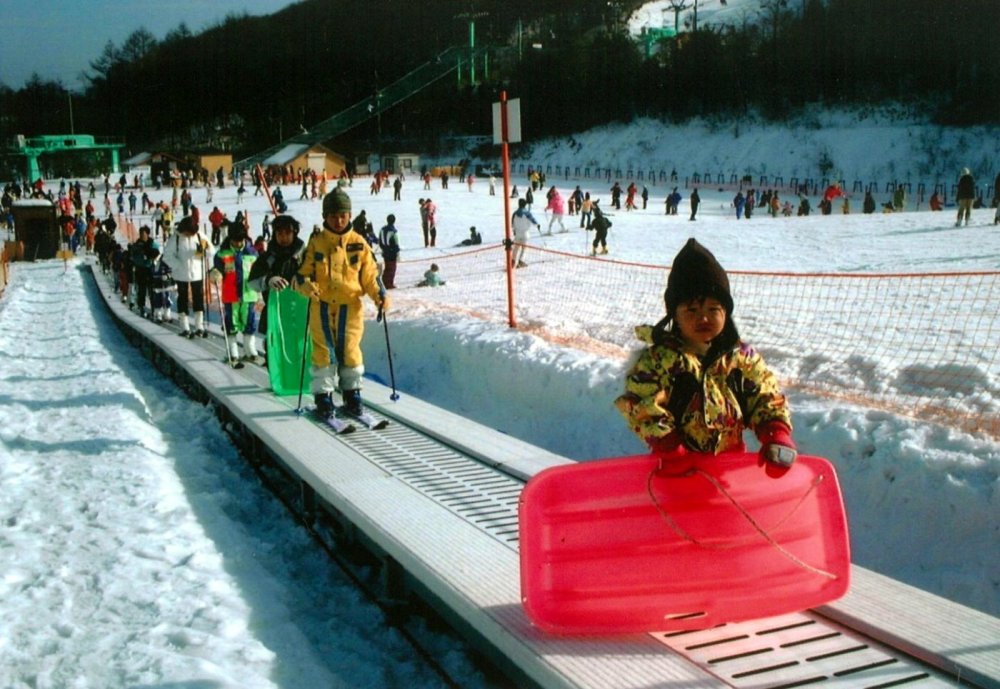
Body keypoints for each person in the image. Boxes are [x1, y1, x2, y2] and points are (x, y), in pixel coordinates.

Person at [614, 238, 796, 467]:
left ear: (726, 313)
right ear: (675, 316)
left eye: (713, 309)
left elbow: (764, 395)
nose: (704, 318)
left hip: (729, 466)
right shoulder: (659, 361)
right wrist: (670, 447)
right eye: (692, 310)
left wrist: (775, 433)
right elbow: (641, 405)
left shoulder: (742, 359)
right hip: (676, 466)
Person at [294, 187, 389, 420]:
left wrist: (380, 296)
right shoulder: (316, 243)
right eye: (333, 215)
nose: (338, 220)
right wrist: (305, 285)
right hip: (322, 306)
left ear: (349, 215)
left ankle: (352, 393)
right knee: (323, 351)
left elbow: (370, 277)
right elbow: (301, 275)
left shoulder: (359, 243)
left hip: (350, 307)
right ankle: (324, 397)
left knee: (350, 350)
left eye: (343, 215)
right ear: (325, 216)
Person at [247, 214, 306, 361]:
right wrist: (267, 280)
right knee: (275, 355)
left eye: (287, 233)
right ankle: (276, 383)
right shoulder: (268, 257)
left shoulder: (304, 256)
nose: (283, 237)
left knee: (299, 353)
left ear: (295, 233)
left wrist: (303, 279)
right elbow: (252, 281)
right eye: (279, 234)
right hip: (275, 314)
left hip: (300, 313)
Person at [210, 221, 260, 362]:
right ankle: (233, 351)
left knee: (249, 321)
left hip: (248, 293)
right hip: (231, 294)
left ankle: (250, 349)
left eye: (240, 240)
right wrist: (215, 274)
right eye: (235, 241)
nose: (238, 244)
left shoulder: (252, 252)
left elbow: (258, 270)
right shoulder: (222, 254)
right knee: (231, 322)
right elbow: (217, 269)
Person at [168, 215, 212, 338]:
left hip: (197, 273)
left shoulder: (199, 236)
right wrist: (177, 265)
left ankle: (199, 325)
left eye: (191, 233)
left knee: (198, 299)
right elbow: (167, 256)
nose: (189, 235)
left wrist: (204, 250)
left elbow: (211, 251)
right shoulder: (175, 238)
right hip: (181, 274)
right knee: (183, 299)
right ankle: (185, 326)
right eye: (188, 233)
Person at [511, 198, 540, 269]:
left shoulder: (515, 213)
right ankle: (521, 261)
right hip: (525, 233)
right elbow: (533, 220)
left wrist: (514, 230)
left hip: (517, 233)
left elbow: (512, 223)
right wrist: (537, 225)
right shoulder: (527, 213)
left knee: (516, 248)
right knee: (524, 248)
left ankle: (513, 261)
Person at [378, 214, 400, 289]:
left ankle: (384, 282)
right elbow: (396, 243)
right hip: (392, 253)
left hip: (385, 251)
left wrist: (384, 249)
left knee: (387, 267)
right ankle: (389, 284)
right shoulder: (393, 231)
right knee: (392, 268)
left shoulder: (382, 229)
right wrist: (397, 253)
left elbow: (380, 241)